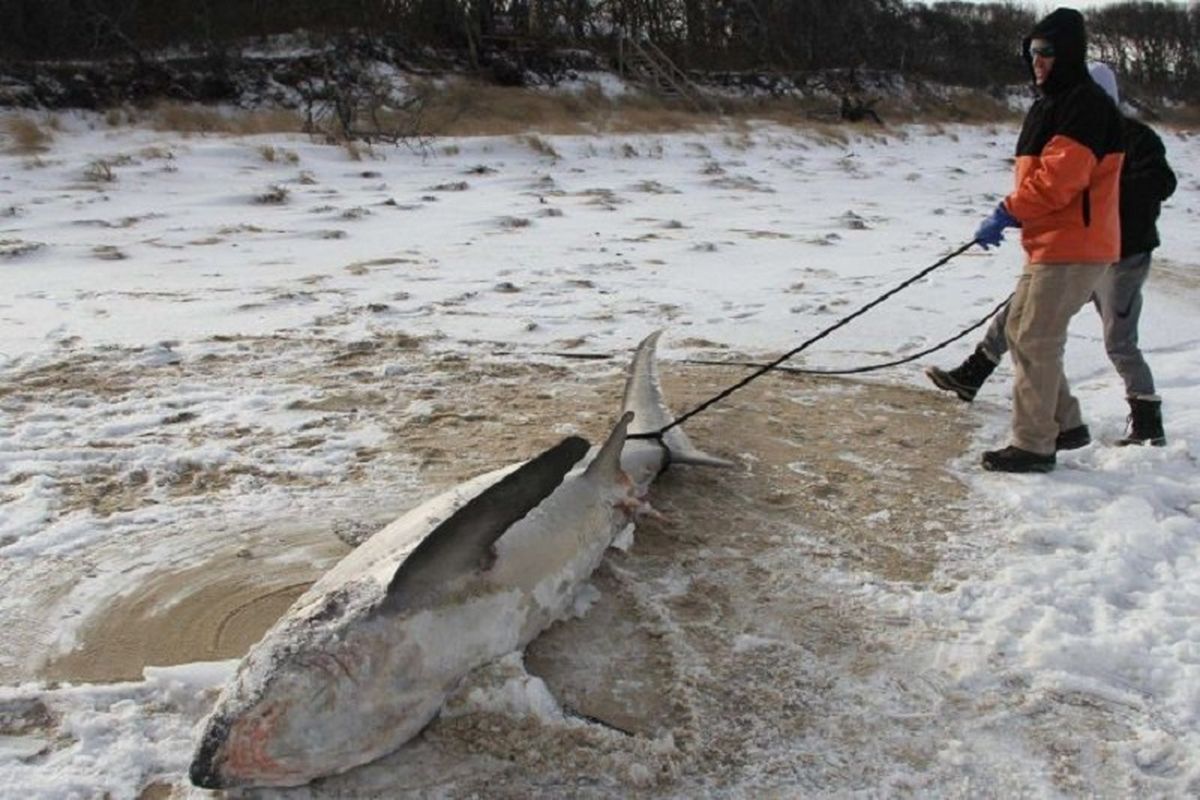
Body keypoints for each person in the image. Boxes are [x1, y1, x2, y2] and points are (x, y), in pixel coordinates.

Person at [927, 62, 1176, 451]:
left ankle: (1146, 421)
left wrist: (1101, 192)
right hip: (1072, 248)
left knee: (1118, 341)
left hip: (1123, 256)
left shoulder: (1135, 137)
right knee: (1021, 317)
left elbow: (1162, 182)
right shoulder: (1066, 132)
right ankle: (974, 373)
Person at [949, 8, 1125, 473]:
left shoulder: (1083, 104)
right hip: (1051, 243)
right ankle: (1065, 425)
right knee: (1020, 331)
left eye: (1046, 52)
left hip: (1075, 245)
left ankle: (1033, 445)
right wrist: (1015, 215)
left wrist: (1008, 210)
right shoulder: (1054, 101)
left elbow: (1058, 181)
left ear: (1067, 55)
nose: (1037, 61)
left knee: (1036, 338)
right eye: (1032, 52)